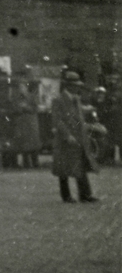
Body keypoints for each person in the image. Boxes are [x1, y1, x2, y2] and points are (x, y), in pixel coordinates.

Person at [51, 71, 99, 204]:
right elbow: (57, 120)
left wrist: (87, 123)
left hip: (78, 137)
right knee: (63, 168)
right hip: (64, 139)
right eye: (76, 85)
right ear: (69, 86)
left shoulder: (76, 99)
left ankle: (85, 195)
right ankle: (66, 196)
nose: (78, 88)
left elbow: (78, 116)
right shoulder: (58, 100)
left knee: (80, 164)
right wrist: (67, 135)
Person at [12, 78, 43, 169]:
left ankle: (35, 162)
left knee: (33, 143)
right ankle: (26, 163)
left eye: (22, 87)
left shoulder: (32, 97)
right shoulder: (16, 98)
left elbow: (36, 109)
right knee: (24, 144)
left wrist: (26, 107)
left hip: (31, 122)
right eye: (19, 87)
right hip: (22, 123)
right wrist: (19, 108)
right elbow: (14, 109)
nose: (21, 89)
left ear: (26, 87)